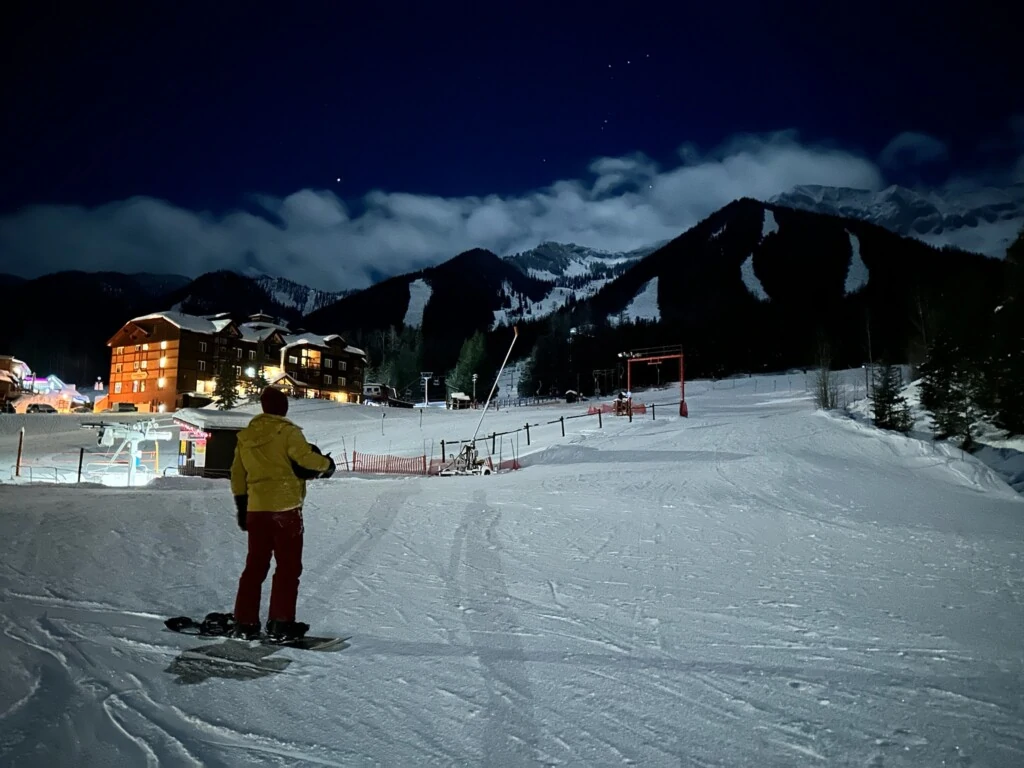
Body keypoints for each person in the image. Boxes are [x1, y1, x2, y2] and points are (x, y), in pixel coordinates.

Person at [229, 386, 335, 639]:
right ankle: (280, 622)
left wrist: (242, 506)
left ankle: (245, 622)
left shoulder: (246, 437)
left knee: (254, 566)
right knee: (288, 567)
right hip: (285, 509)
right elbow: (305, 458)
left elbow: (237, 475)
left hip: (256, 509)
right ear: (283, 407)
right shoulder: (287, 432)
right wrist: (327, 465)